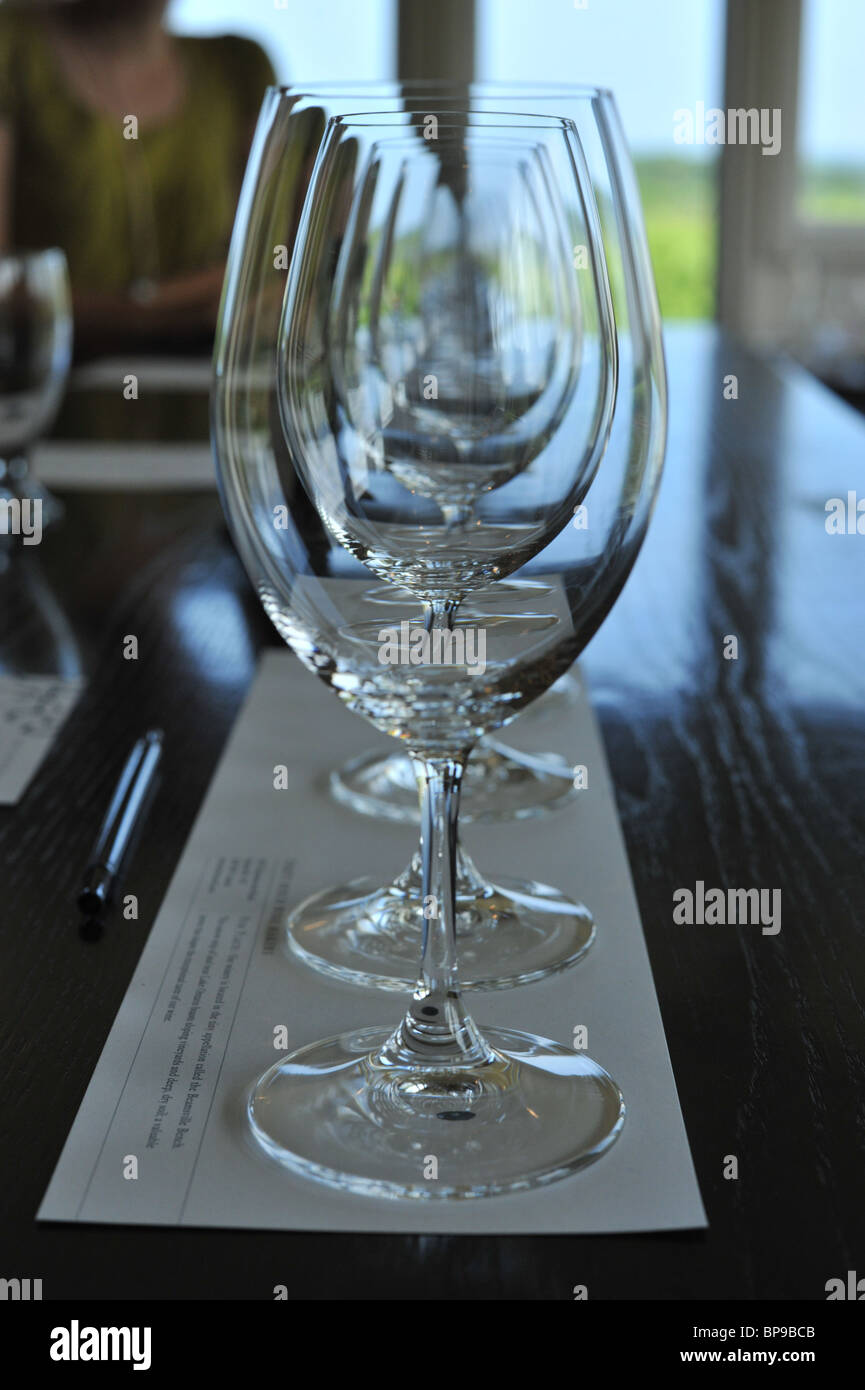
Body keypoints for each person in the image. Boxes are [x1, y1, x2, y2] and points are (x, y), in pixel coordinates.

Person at [0, 0, 275, 354]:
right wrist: (163, 313)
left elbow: (274, 265)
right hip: (50, 391)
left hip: (210, 386)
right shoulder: (14, 50)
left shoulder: (238, 66)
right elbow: (4, 289)